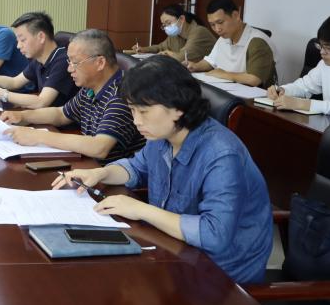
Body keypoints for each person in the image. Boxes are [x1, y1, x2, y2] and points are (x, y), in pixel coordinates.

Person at [53, 56, 273, 284]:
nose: (136, 121)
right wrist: (100, 174)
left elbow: (214, 234)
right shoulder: (162, 135)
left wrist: (140, 209)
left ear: (177, 108)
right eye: (132, 110)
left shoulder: (222, 154)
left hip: (220, 275)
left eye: (143, 112)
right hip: (172, 251)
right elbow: (136, 167)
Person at [0, 29, 145, 162]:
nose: (69, 69)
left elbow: (99, 147)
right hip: (88, 166)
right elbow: (61, 114)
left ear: (100, 63)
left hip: (110, 175)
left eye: (75, 62)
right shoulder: (91, 87)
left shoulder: (122, 94)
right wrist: (22, 116)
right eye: (69, 62)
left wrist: (38, 136)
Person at [0, 11, 77, 108]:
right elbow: (14, 82)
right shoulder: (38, 59)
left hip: (63, 122)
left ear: (41, 37)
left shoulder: (63, 61)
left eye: (23, 40)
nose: (18, 46)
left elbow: (41, 101)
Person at [185, 0, 277, 88]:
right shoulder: (224, 37)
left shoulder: (257, 42)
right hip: (229, 89)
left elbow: (254, 79)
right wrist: (195, 66)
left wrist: (224, 74)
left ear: (236, 16)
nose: (217, 29)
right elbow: (211, 62)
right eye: (212, 25)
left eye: (220, 22)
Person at [125, 4, 216, 63]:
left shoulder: (199, 32)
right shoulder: (176, 34)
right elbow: (161, 47)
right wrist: (144, 49)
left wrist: (169, 53)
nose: (166, 27)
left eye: (168, 23)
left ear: (181, 19)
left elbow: (182, 57)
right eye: (164, 25)